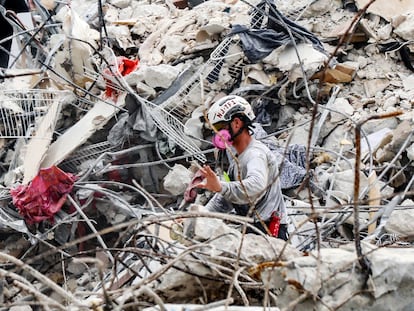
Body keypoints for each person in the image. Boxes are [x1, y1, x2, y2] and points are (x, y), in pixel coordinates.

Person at [196, 95, 288, 240]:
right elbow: (225, 199)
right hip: (252, 228)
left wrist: (221, 187)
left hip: (270, 231)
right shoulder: (234, 157)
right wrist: (196, 219)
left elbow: (257, 184)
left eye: (220, 128)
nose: (217, 135)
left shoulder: (255, 154)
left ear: (237, 123)